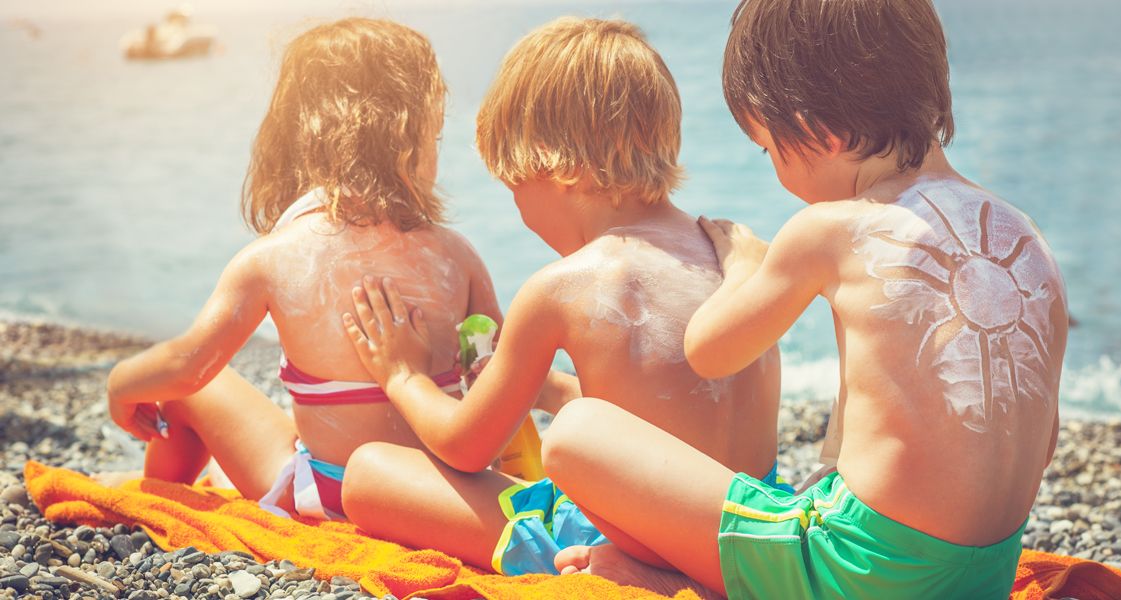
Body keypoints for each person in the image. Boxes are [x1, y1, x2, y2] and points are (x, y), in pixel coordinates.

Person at [542, 1, 1069, 598]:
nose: (774, 173)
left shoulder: (828, 230)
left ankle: (677, 581)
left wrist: (743, 261)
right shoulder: (1024, 236)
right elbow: (1041, 439)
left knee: (578, 432)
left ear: (821, 131)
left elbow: (709, 350)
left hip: (858, 577)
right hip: (984, 575)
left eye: (768, 150)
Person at [338, 17, 783, 577]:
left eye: (514, 186)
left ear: (560, 166)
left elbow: (464, 445)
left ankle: (573, 563)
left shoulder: (563, 286)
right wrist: (545, 389)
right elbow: (670, 411)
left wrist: (404, 375)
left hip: (645, 540)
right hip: (750, 530)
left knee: (369, 473)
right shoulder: (728, 251)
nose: (519, 211)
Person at [105, 18, 508, 521]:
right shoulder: (458, 255)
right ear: (408, 142)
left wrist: (121, 383)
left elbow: (189, 367)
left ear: (297, 140)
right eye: (436, 138)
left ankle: (157, 505)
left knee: (192, 393)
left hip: (333, 497)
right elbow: (497, 379)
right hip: (443, 494)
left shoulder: (272, 258)